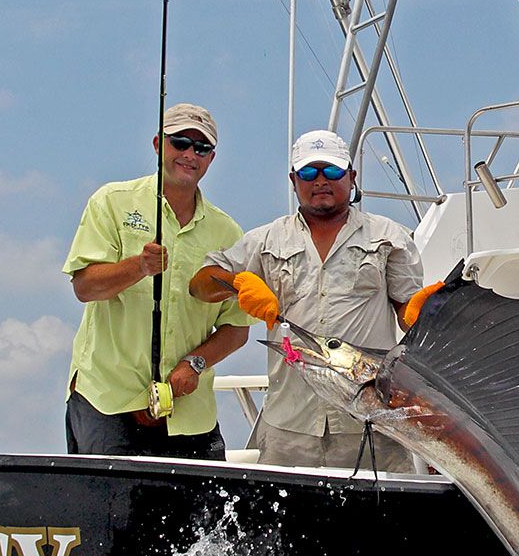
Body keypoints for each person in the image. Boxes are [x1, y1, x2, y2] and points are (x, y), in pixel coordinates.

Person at [191, 129, 441, 472]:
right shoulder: (265, 240)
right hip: (290, 424)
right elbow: (200, 284)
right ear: (294, 180)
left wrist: (417, 314)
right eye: (309, 172)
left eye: (332, 171)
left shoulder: (390, 237)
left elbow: (406, 311)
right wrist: (236, 283)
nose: (320, 180)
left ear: (352, 177)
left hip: (370, 422)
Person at [62, 103, 251, 460]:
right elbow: (84, 287)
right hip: (107, 403)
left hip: (190, 415)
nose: (190, 154)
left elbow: (237, 327)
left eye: (201, 148)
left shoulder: (228, 233)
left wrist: (194, 363)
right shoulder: (111, 202)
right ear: (157, 145)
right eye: (180, 142)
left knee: (210, 500)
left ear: (211, 158)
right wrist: (138, 266)